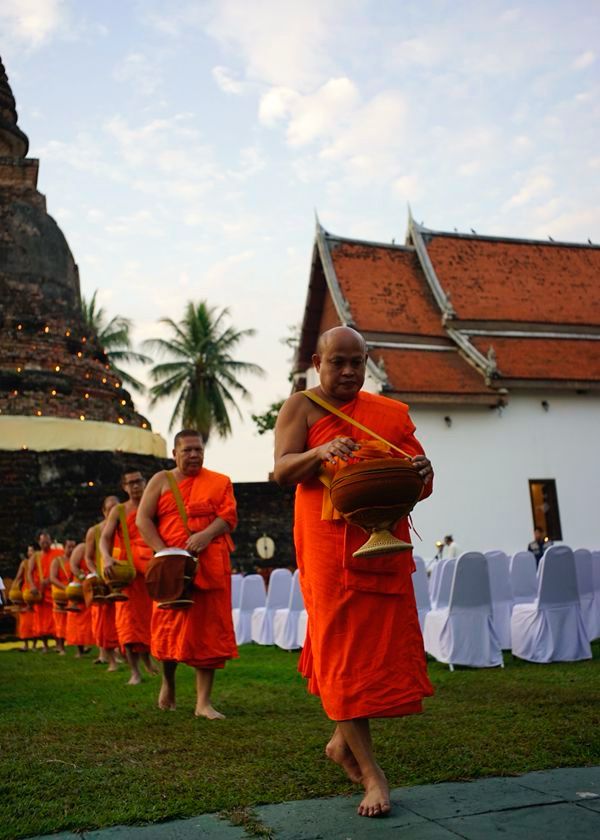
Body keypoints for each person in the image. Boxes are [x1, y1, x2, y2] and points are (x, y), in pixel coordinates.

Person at [273, 326, 434, 819]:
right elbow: (281, 471)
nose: (347, 372)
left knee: (374, 651)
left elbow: (414, 482)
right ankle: (371, 773)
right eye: (336, 362)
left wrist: (423, 473)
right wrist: (319, 451)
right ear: (317, 362)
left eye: (355, 363)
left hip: (382, 543)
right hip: (326, 549)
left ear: (366, 363)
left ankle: (342, 744)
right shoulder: (299, 408)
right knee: (341, 655)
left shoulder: (387, 414)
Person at [136, 429, 238, 718]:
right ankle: (168, 683)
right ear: (175, 453)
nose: (194, 455)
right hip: (172, 568)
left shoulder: (219, 482)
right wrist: (164, 553)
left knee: (208, 634)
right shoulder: (161, 481)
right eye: (187, 450)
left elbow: (228, 517)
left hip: (210, 565)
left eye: (198, 450)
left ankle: (203, 702)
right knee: (170, 629)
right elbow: (144, 519)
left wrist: (206, 535)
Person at [100, 470, 158, 684]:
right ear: (124, 487)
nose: (135, 486)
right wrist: (106, 558)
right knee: (128, 624)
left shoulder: (155, 504)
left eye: (139, 481)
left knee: (150, 619)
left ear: (145, 483)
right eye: (131, 483)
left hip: (150, 567)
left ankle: (150, 660)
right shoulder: (119, 511)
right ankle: (135, 672)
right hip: (127, 573)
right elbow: (105, 538)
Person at [81, 496, 121, 669]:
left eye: (117, 508)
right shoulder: (95, 531)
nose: (114, 512)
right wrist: (97, 573)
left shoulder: (127, 526)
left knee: (124, 620)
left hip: (123, 578)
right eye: (110, 508)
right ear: (104, 512)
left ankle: (126, 654)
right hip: (104, 581)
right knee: (105, 623)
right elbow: (88, 558)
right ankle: (110, 659)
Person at [26, 532, 63, 653]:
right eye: (43, 542)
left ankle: (59, 644)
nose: (45, 544)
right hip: (40, 593)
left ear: (51, 541)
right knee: (41, 620)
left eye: (47, 541)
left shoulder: (57, 554)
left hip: (54, 590)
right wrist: (32, 585)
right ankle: (45, 645)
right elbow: (29, 573)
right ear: (39, 543)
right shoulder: (36, 556)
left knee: (56, 618)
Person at [65, 542, 94, 657]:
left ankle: (91, 644)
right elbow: (73, 566)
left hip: (92, 585)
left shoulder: (100, 547)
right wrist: (83, 577)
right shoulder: (82, 548)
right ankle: (79, 650)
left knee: (92, 620)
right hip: (78, 588)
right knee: (76, 621)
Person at [49, 538, 77, 655]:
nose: (71, 549)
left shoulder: (76, 560)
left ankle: (78, 647)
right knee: (60, 621)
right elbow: (53, 578)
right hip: (61, 593)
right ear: (64, 548)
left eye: (73, 547)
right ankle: (60, 647)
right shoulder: (57, 561)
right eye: (69, 547)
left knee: (74, 621)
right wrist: (65, 588)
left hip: (74, 593)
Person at [14, 548, 38, 651]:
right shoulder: (24, 563)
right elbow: (19, 577)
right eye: (28, 551)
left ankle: (34, 645)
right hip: (25, 593)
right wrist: (14, 591)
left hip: (37, 592)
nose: (29, 553)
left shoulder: (39, 562)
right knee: (25, 621)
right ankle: (26, 645)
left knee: (35, 621)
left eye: (31, 551)